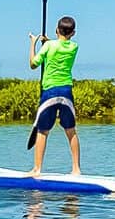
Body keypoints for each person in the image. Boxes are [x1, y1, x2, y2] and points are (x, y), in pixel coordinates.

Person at [28, 15, 81, 174]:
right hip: (66, 91)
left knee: (43, 131)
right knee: (70, 130)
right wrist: (50, 41)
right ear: (73, 33)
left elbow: (33, 64)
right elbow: (61, 45)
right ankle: (76, 169)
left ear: (57, 30)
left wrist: (33, 44)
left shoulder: (48, 46)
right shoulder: (74, 47)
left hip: (50, 92)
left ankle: (37, 169)